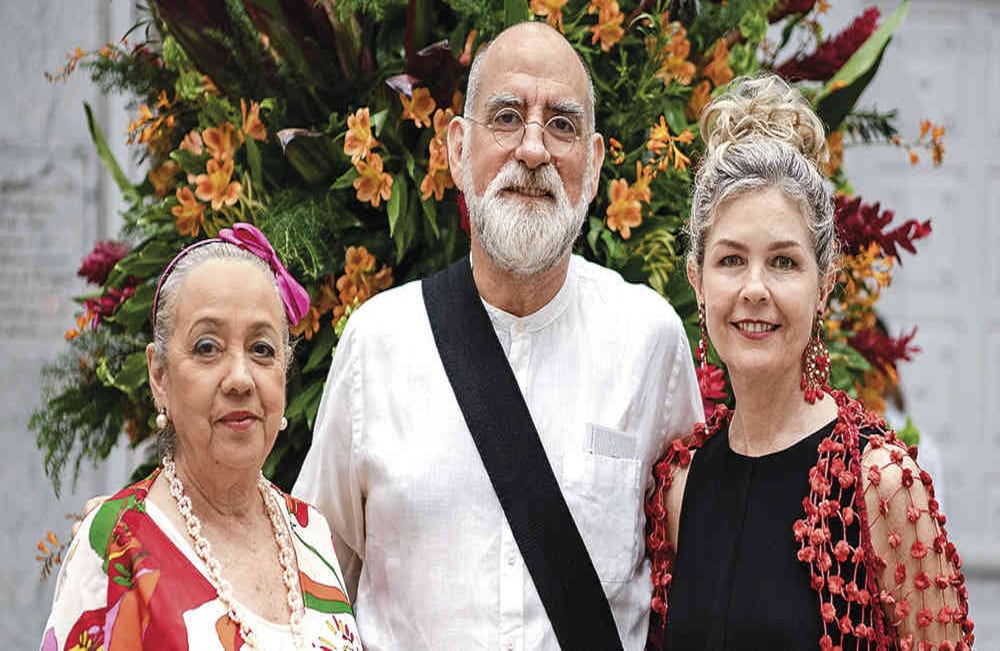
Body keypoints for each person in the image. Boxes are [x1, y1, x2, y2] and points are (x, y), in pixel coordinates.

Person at [292, 21, 702, 650]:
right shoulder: (378, 344)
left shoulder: (650, 341)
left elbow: (696, 578)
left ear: (592, 167)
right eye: (507, 117)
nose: (533, 150)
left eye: (561, 125)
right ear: (457, 150)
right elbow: (310, 589)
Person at [644, 75, 974, 650]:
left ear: (825, 286)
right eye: (730, 260)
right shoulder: (681, 485)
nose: (754, 288)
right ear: (697, 281)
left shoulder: (879, 486)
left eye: (783, 262)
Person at [41, 224, 363, 651]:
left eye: (262, 349)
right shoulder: (117, 545)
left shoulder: (311, 533)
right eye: (207, 347)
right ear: (159, 376)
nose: (240, 379)